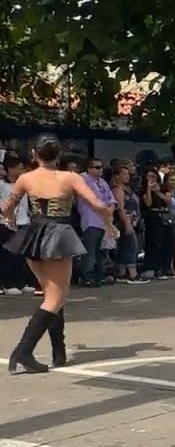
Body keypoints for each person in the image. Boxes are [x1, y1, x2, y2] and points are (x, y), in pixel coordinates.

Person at [2, 135, 115, 373]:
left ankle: (58, 351)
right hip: (58, 233)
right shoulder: (69, 177)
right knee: (56, 297)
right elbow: (97, 204)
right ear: (59, 155)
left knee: (52, 294)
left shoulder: (26, 178)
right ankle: (23, 351)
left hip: (33, 234)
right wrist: (109, 223)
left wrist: (10, 218)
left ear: (34, 154)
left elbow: (7, 207)